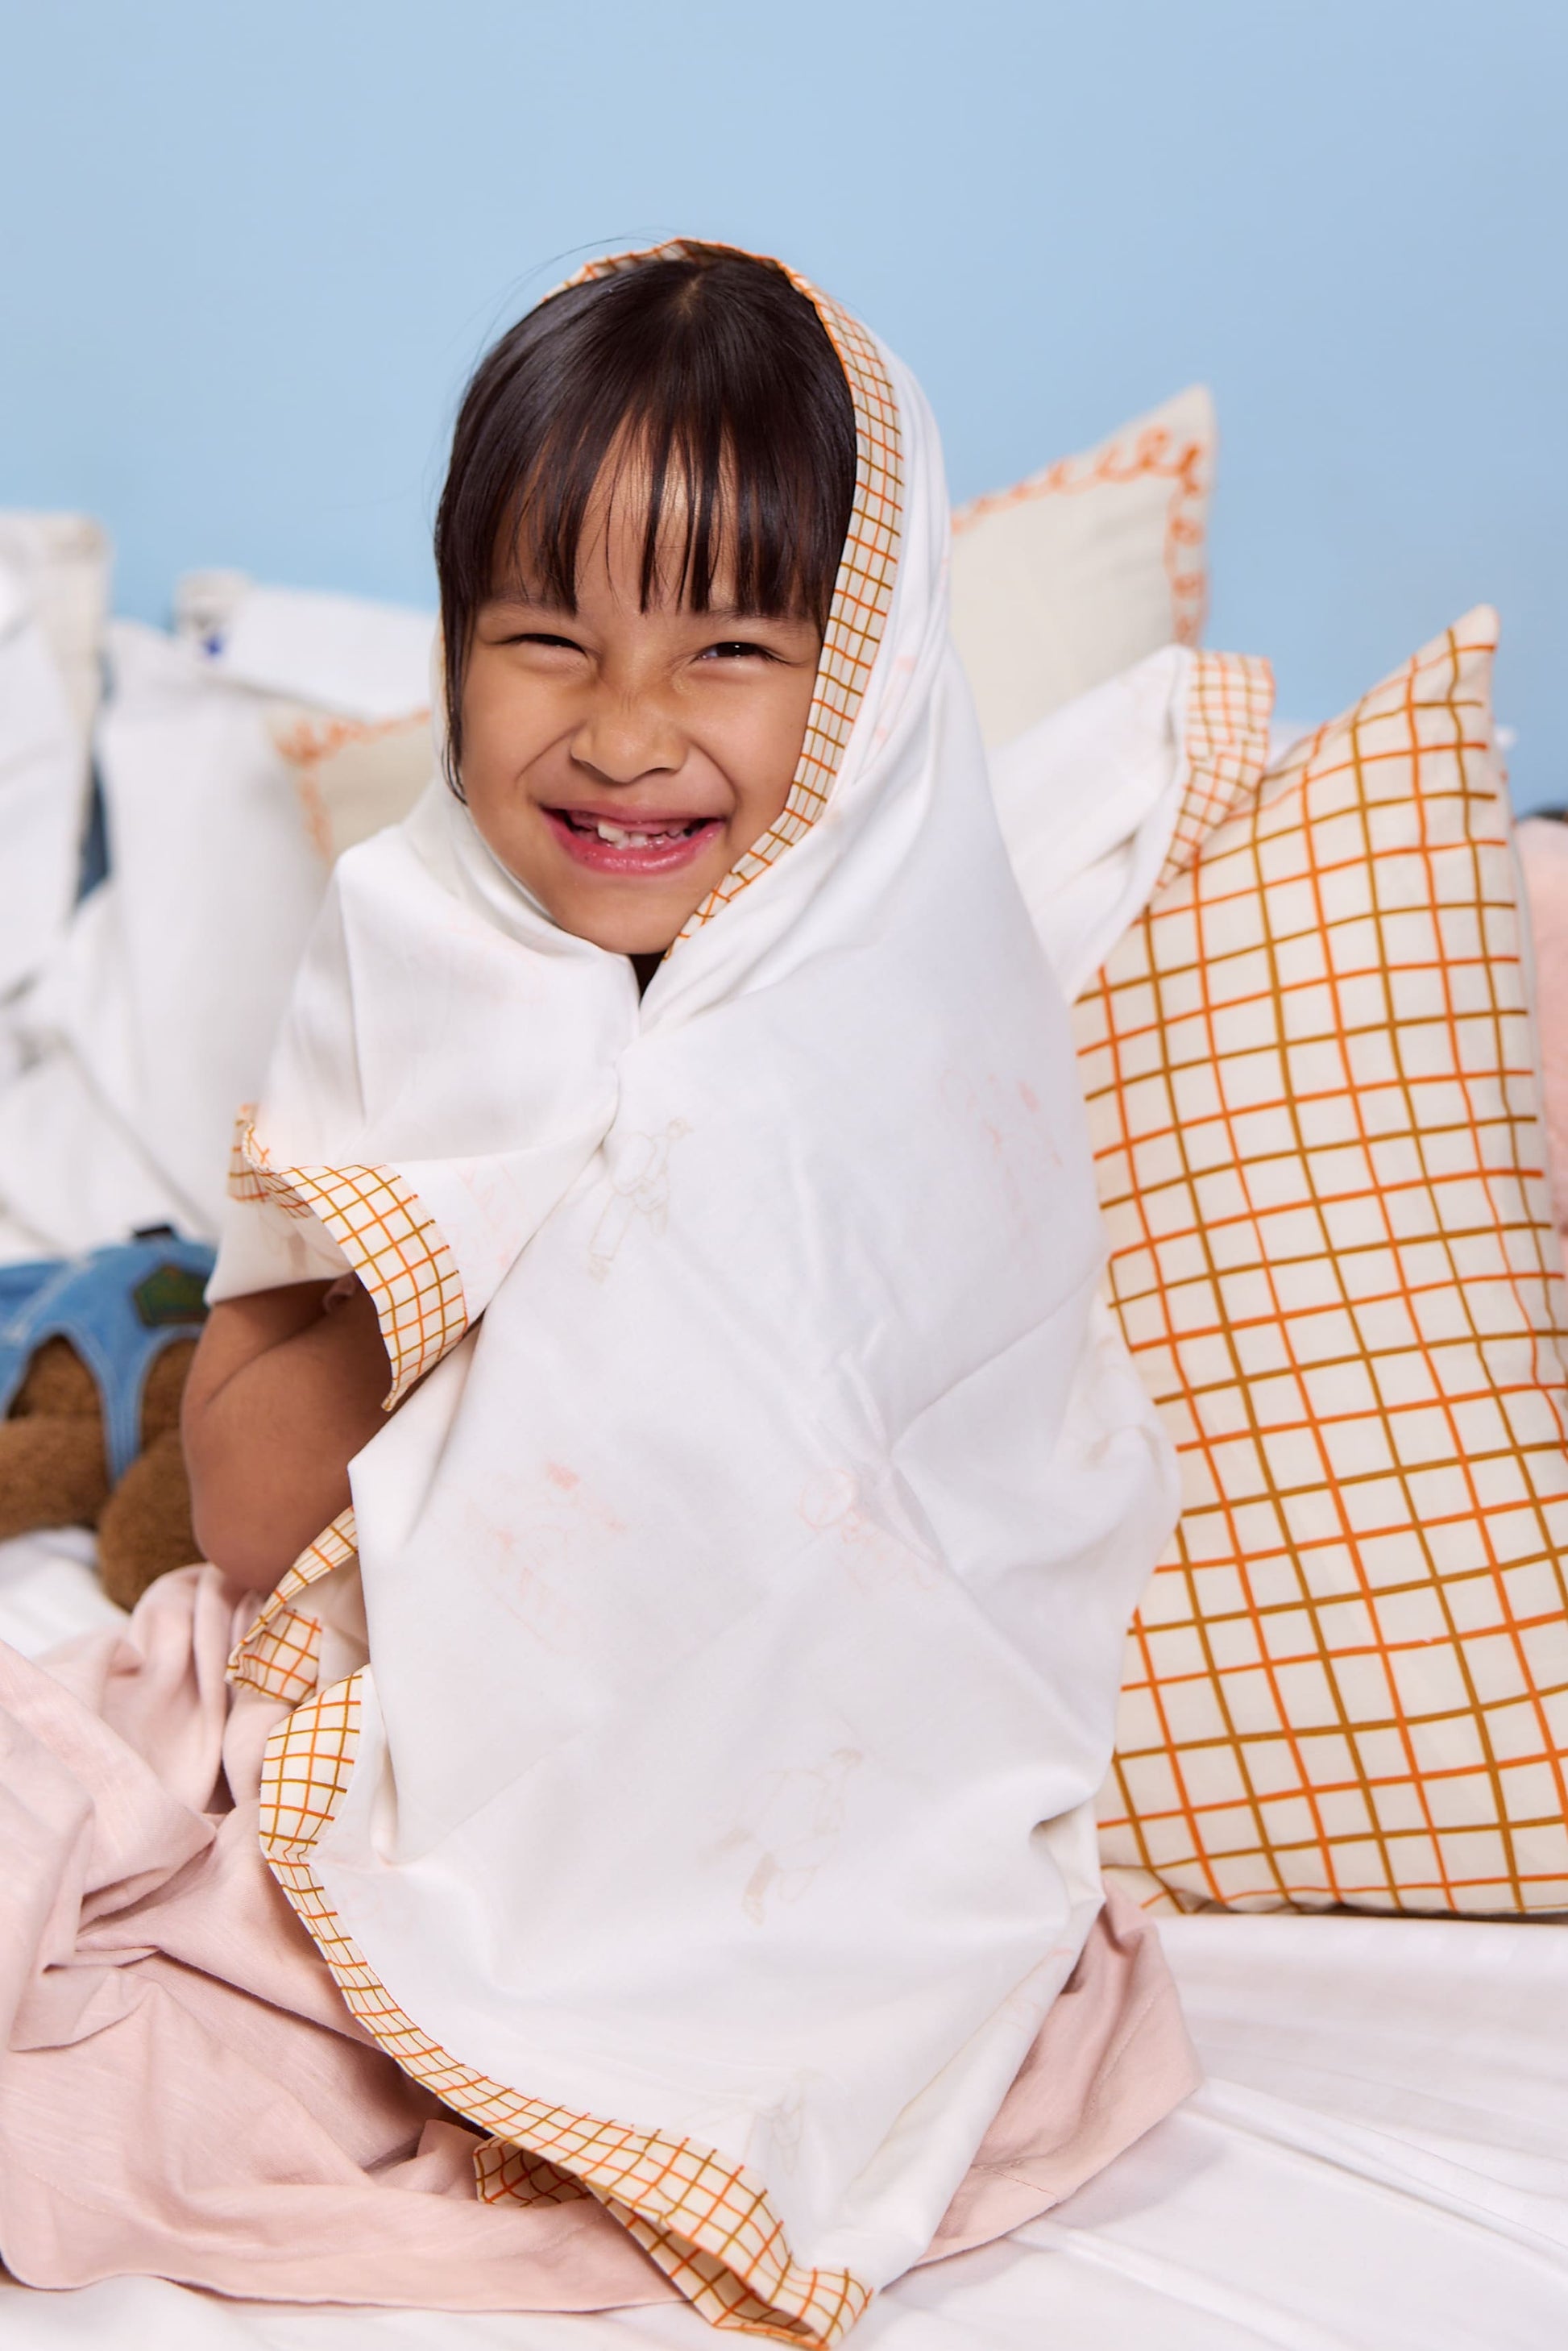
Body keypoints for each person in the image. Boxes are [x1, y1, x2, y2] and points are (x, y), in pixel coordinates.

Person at [0, 243, 1193, 2341]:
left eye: (727, 648)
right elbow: (269, 1521)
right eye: (543, 637)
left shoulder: (919, 1037)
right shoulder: (421, 949)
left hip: (798, 1810)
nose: (622, 733)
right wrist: (481, 1189)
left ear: (861, 683)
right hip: (393, 1718)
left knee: (821, 1984)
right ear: (457, 653)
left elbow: (979, 1533)